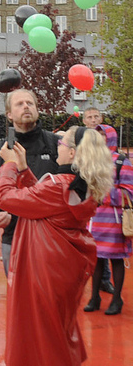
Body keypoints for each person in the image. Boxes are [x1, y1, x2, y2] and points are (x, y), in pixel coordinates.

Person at [0, 126, 112, 365]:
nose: (58, 145)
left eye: (62, 142)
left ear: (72, 154)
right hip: (61, 270)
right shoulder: (79, 185)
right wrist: (24, 168)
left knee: (43, 335)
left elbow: (6, 198)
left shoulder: (57, 185)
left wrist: (8, 166)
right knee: (56, 328)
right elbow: (39, 198)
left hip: (43, 272)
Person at [0, 89, 58, 275]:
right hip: (13, 236)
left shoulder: (56, 144)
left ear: (38, 109)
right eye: (19, 104)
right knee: (18, 298)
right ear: (9, 114)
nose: (26, 106)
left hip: (52, 237)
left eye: (30, 103)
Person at [84, 128, 133, 315]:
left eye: (103, 135)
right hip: (94, 220)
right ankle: (94, 297)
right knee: (96, 260)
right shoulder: (92, 161)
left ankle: (116, 299)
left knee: (116, 260)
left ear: (110, 137)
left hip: (114, 221)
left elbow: (129, 193)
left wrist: (102, 194)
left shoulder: (122, 162)